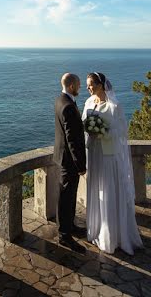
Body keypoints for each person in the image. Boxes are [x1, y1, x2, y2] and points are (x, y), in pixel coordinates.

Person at [82, 72, 143, 255]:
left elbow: (121, 131)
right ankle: (97, 229)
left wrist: (102, 132)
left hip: (109, 155)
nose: (88, 88)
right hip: (93, 153)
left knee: (108, 190)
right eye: (87, 84)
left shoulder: (114, 106)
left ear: (101, 85)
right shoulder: (88, 103)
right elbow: (83, 123)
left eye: (91, 84)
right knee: (96, 189)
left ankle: (113, 235)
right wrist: (89, 132)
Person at [54, 72, 87, 253]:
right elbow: (72, 139)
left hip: (62, 157)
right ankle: (64, 236)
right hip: (69, 161)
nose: (80, 88)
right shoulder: (67, 106)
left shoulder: (59, 100)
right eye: (79, 85)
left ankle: (70, 226)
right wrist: (80, 165)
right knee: (66, 197)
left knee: (69, 194)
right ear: (72, 86)